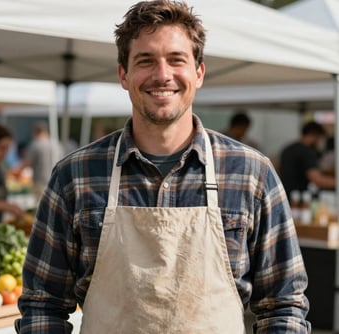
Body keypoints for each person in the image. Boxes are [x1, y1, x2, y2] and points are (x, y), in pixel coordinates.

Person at [16, 1, 310, 333]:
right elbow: (43, 304)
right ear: (123, 75)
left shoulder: (251, 174)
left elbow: (284, 305)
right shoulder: (75, 175)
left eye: (176, 59)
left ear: (199, 73)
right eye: (145, 61)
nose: (162, 74)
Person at [280, 120, 335, 200]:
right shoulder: (308, 152)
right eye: (320, 138)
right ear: (315, 135)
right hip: (301, 199)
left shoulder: (287, 149)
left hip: (285, 197)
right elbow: (317, 179)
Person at [14, 121, 64, 201]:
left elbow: (28, 162)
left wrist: (16, 171)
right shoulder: (57, 144)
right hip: (56, 181)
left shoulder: (36, 144)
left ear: (36, 131)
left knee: (41, 207)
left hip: (40, 181)